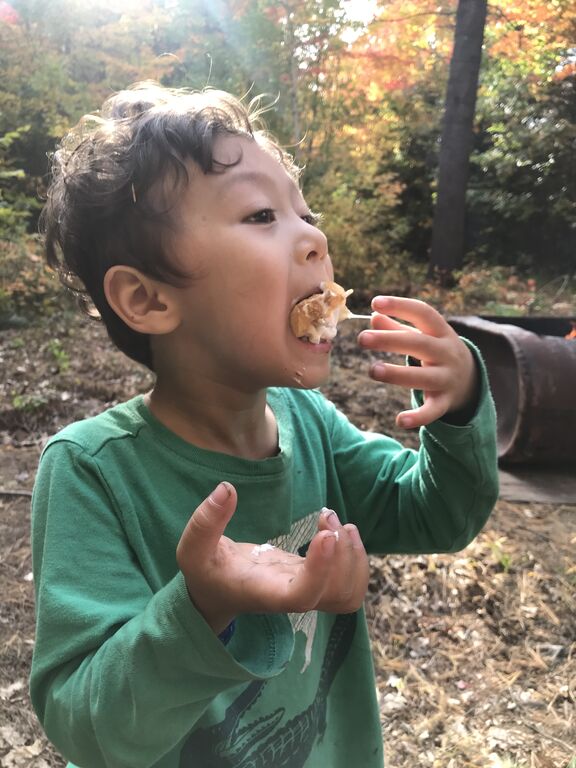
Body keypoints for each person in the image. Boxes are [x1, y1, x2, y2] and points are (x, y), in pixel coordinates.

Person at [30, 81, 499, 768]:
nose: (315, 238)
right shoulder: (92, 472)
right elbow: (86, 724)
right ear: (147, 299)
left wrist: (460, 407)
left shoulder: (310, 424)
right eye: (260, 215)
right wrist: (198, 610)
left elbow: (438, 514)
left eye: (305, 213)